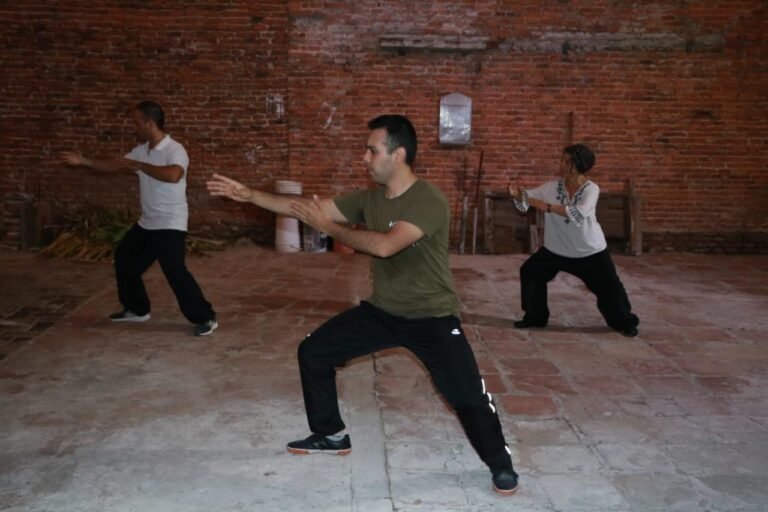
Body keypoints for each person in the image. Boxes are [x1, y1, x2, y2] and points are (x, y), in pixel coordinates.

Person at [206, 114, 519, 495]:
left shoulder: (428, 200)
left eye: (372, 150)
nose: (364, 158)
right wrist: (250, 195)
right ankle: (331, 434)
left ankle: (500, 464)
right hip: (383, 311)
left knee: (467, 396)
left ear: (398, 154)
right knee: (314, 351)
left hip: (432, 318)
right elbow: (304, 207)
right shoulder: (368, 199)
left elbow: (386, 246)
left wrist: (330, 227)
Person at [61, 100, 218, 337]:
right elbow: (116, 166)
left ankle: (206, 317)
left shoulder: (174, 149)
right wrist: (85, 161)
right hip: (148, 222)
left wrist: (140, 165)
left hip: (170, 223)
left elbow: (174, 175)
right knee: (124, 258)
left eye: (137, 122)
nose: (134, 126)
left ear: (149, 123)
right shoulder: (141, 150)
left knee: (175, 272)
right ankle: (137, 309)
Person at [509, 143, 640, 337]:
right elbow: (527, 200)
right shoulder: (552, 187)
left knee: (610, 288)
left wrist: (544, 206)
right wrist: (518, 194)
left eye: (567, 161)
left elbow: (577, 213)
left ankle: (624, 322)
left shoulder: (591, 189)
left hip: (589, 251)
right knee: (530, 271)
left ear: (579, 164)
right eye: (562, 159)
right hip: (556, 250)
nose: (562, 164)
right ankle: (535, 317)